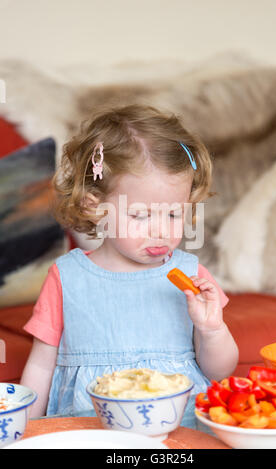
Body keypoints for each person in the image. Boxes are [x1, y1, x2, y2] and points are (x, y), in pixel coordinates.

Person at [21, 104, 238, 428]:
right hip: (89, 426)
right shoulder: (67, 277)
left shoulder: (191, 276)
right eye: (140, 215)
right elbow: (41, 366)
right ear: (94, 207)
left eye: (174, 214)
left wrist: (211, 330)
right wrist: (23, 428)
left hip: (181, 426)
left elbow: (220, 372)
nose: (161, 230)